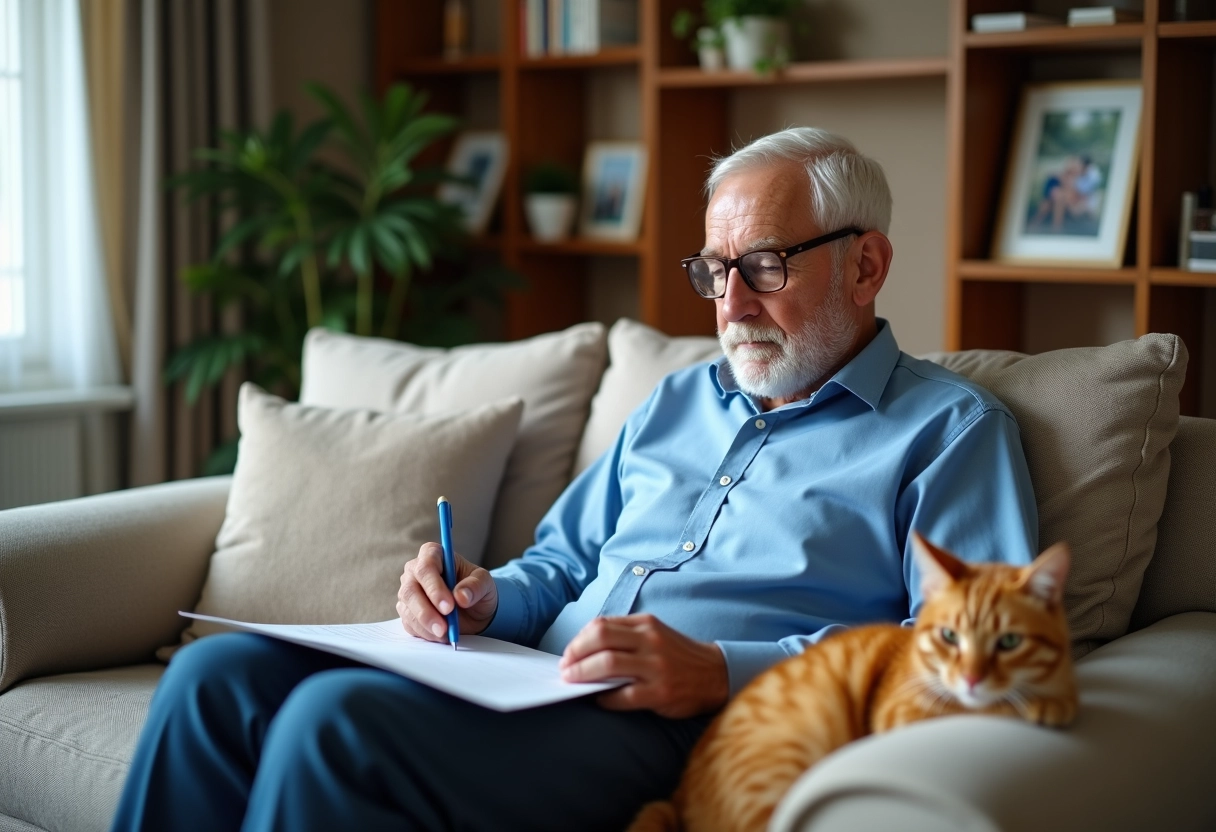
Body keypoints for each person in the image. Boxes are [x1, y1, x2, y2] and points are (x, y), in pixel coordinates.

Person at [110, 128, 1038, 832]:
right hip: (526, 677)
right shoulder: (681, 400)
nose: (731, 304)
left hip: (680, 724)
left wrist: (719, 670)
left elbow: (955, 653)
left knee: (334, 723)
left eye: (763, 266)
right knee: (216, 677)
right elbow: (558, 560)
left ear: (866, 264)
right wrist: (483, 598)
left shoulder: (949, 432)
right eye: (715, 270)